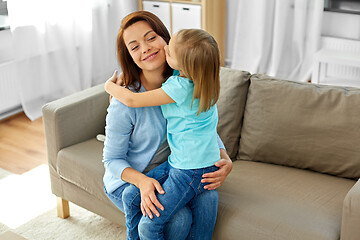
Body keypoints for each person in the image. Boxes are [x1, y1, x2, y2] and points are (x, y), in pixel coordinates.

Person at [102, 11, 232, 240]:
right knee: (178, 219)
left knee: (209, 197)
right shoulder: (125, 102)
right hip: (130, 179)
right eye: (134, 47)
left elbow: (201, 127)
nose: (145, 48)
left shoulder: (186, 79)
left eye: (151, 38)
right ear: (130, 56)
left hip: (176, 168)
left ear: (167, 41)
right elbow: (111, 160)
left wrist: (224, 159)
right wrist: (142, 182)